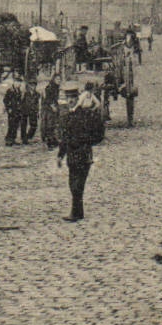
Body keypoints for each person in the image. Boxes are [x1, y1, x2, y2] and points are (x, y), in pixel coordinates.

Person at [56, 82, 104, 221]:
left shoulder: (85, 115)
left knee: (78, 185)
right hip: (72, 156)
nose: (70, 101)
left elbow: (99, 134)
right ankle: (78, 212)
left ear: (77, 99)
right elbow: (64, 139)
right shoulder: (66, 117)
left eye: (72, 98)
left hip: (83, 155)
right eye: (68, 98)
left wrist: (87, 142)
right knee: (73, 185)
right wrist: (60, 156)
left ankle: (75, 213)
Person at [2, 73, 24, 146]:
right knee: (11, 125)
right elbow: (5, 100)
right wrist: (8, 108)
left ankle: (13, 139)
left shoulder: (19, 91)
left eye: (19, 83)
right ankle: (8, 140)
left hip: (17, 111)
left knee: (16, 125)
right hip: (12, 110)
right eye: (17, 82)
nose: (18, 84)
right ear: (14, 82)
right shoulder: (10, 91)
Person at [41, 72, 61, 147]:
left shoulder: (56, 87)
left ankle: (53, 139)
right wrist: (53, 106)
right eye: (57, 79)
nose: (59, 80)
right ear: (54, 79)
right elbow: (48, 98)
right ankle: (49, 141)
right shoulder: (50, 87)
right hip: (48, 107)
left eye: (60, 79)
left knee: (53, 124)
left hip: (53, 106)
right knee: (49, 124)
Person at [19, 77, 41, 145]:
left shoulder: (37, 94)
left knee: (34, 125)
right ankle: (24, 138)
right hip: (25, 110)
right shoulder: (25, 93)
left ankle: (28, 137)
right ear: (28, 85)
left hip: (33, 111)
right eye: (31, 85)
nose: (33, 86)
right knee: (23, 125)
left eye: (34, 85)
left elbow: (38, 103)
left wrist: (37, 111)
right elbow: (21, 101)